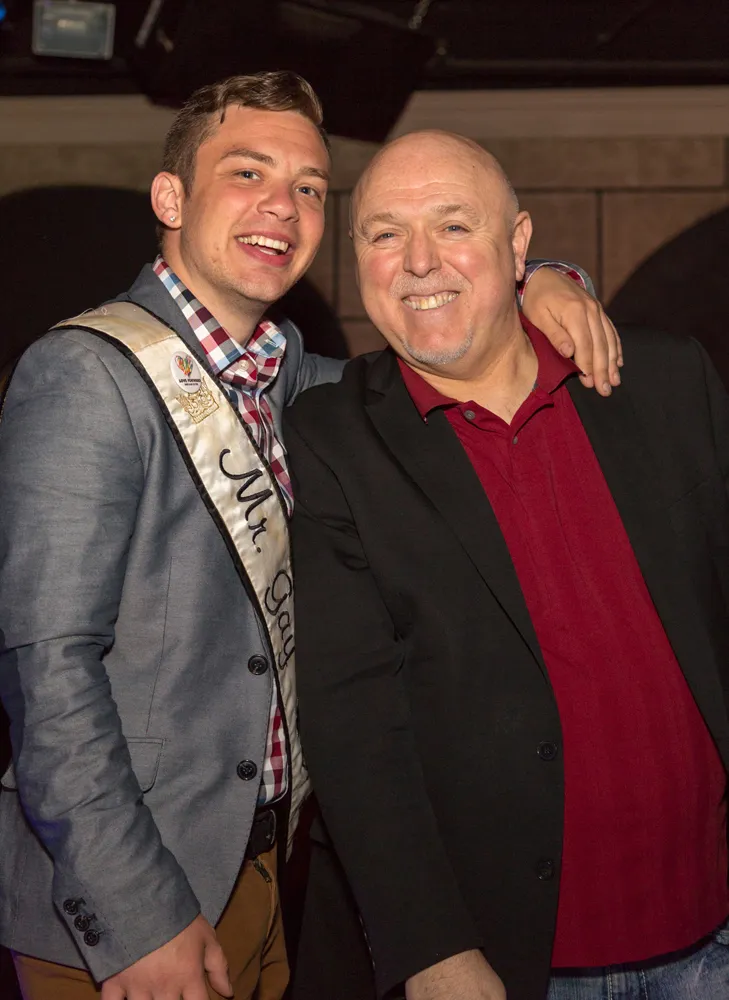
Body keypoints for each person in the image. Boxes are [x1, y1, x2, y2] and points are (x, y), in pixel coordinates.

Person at [0, 70, 617, 1000]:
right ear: (170, 198)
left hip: (259, 869)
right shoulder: (85, 374)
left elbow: (451, 334)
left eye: (309, 188)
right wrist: (133, 914)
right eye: (246, 174)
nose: (282, 208)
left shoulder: (289, 374)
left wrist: (548, 280)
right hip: (128, 894)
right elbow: (46, 668)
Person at [284, 130, 729, 1000]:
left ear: (518, 244)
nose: (418, 261)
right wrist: (430, 948)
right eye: (384, 233)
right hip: (510, 963)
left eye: (454, 226)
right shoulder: (332, 440)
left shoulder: (665, 381)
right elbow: (352, 720)